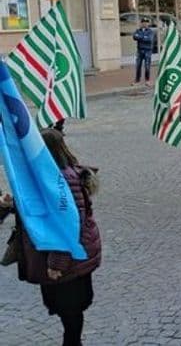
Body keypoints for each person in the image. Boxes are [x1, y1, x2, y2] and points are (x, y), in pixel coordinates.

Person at [1, 129, 102, 346]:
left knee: (71, 312)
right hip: (60, 259)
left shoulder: (63, 181)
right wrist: (12, 204)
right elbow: (39, 210)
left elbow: (68, 225)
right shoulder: (47, 177)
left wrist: (57, 262)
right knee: (67, 310)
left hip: (68, 262)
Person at [132, 17, 157, 86]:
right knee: (138, 66)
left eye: (146, 22)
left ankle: (147, 80)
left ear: (148, 24)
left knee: (147, 66)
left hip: (147, 51)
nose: (145, 24)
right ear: (141, 23)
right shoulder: (138, 30)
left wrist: (140, 37)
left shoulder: (150, 31)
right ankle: (137, 80)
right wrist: (144, 37)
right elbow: (134, 37)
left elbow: (149, 39)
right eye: (143, 22)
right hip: (140, 50)